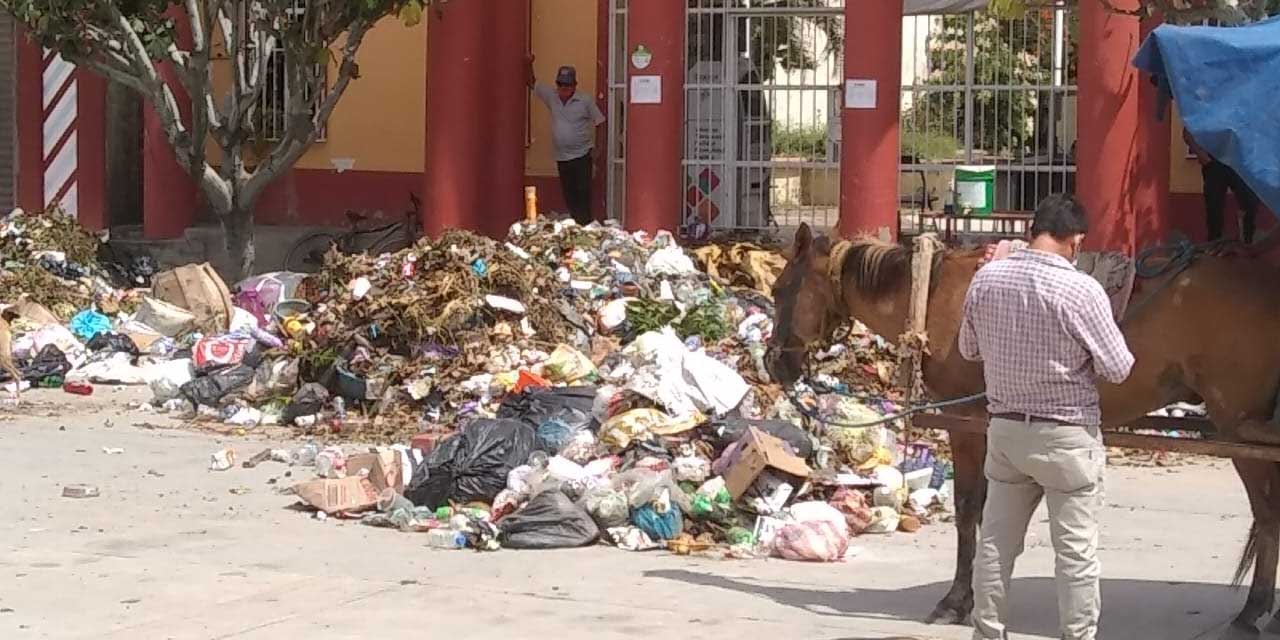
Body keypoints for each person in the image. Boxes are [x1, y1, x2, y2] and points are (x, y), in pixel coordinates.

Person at [960, 194, 1135, 640]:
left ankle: (987, 632)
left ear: (1031, 230)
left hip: (1005, 432)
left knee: (996, 548)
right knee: (1076, 555)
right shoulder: (1081, 289)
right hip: (1066, 437)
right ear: (1076, 240)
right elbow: (1118, 367)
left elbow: (968, 349)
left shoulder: (986, 279)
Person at [527, 57, 606, 226]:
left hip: (582, 155)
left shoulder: (584, 100)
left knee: (583, 194)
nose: (563, 89)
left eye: (567, 85)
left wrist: (599, 147)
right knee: (569, 195)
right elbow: (532, 83)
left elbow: (600, 122)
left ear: (574, 86)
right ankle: (576, 225)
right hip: (562, 157)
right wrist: (528, 64)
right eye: (561, 85)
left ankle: (585, 226)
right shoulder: (552, 97)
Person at [1185, 128, 1261, 244]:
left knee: (1250, 202)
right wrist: (1201, 155)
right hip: (1215, 162)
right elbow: (1187, 131)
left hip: (1239, 161)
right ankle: (1214, 245)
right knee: (1214, 206)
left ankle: (1248, 242)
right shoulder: (1209, 111)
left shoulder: (1243, 111)